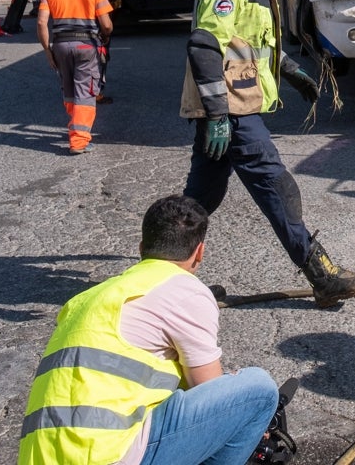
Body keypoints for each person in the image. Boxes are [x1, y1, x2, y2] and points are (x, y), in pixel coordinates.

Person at [181, 0, 355, 308]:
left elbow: (252, 43)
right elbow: (204, 46)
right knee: (275, 183)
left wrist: (291, 73)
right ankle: (321, 274)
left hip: (236, 105)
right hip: (231, 110)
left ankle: (162, 278)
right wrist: (217, 113)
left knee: (201, 199)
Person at [18, 195, 280, 464]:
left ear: (141, 247)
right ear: (199, 251)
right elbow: (210, 389)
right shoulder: (184, 290)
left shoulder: (85, 299)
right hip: (109, 456)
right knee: (259, 391)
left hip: (40, 457)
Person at [36, 0, 113, 155]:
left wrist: (47, 50)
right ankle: (79, 141)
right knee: (85, 92)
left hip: (60, 45)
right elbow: (107, 25)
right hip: (87, 45)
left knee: (69, 90)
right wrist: (104, 39)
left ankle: (74, 129)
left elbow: (42, 23)